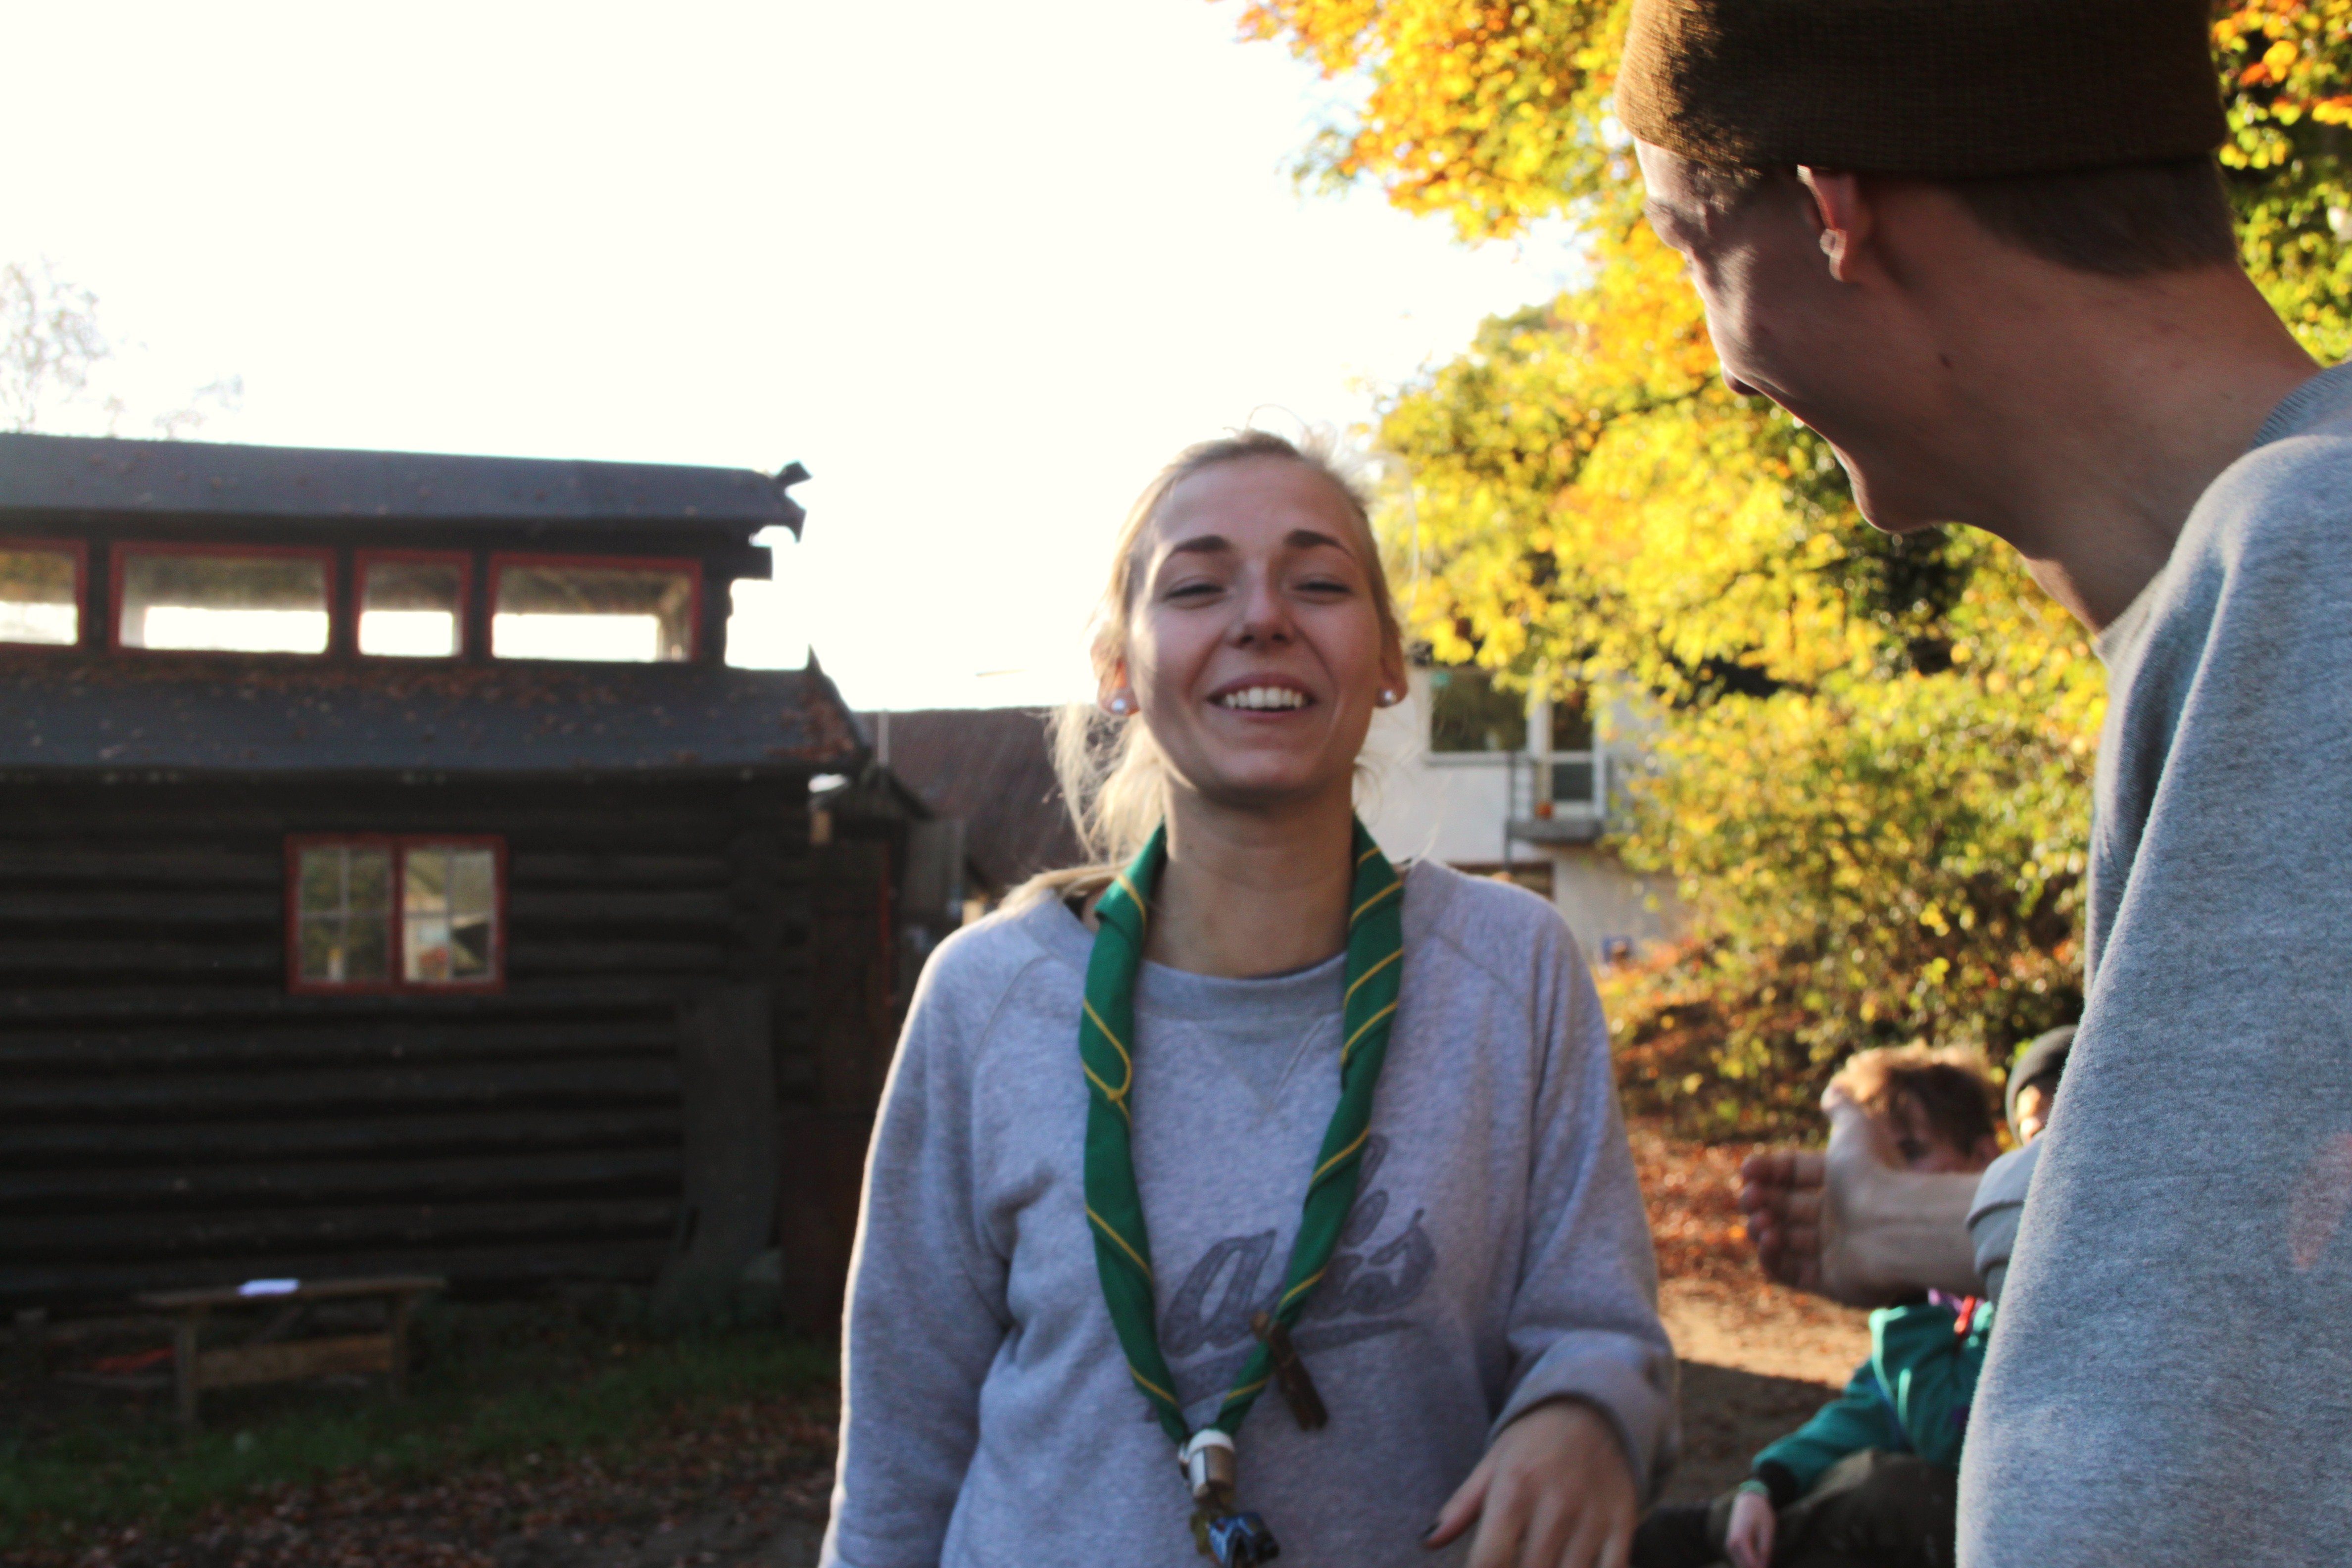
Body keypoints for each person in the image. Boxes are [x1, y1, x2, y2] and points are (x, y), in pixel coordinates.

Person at [1615, 0, 2352, 1560]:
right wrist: (1992, 1218)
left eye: (1687, 243)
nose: (1718, 354)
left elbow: (2181, 1462)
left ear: (1833, 210)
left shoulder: (2312, 561)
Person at [821, 430, 1676, 1568]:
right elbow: (898, 1451)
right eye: (1196, 587)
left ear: (1387, 660)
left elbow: (1598, 1325)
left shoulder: (1512, 968)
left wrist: (1586, 1414)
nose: (1263, 617)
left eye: (1318, 583)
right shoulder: (987, 996)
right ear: (1118, 668)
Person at [1634, 1048, 2005, 1568]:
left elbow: (1948, 1438)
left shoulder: (2009, 1296)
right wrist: (1769, 1483)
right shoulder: (1946, 1299)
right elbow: (1873, 1407)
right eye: (1880, 1166)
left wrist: (1902, 1297)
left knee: (1885, 1489)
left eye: (1911, 1153)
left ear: (1984, 1160)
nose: (1892, 1183)